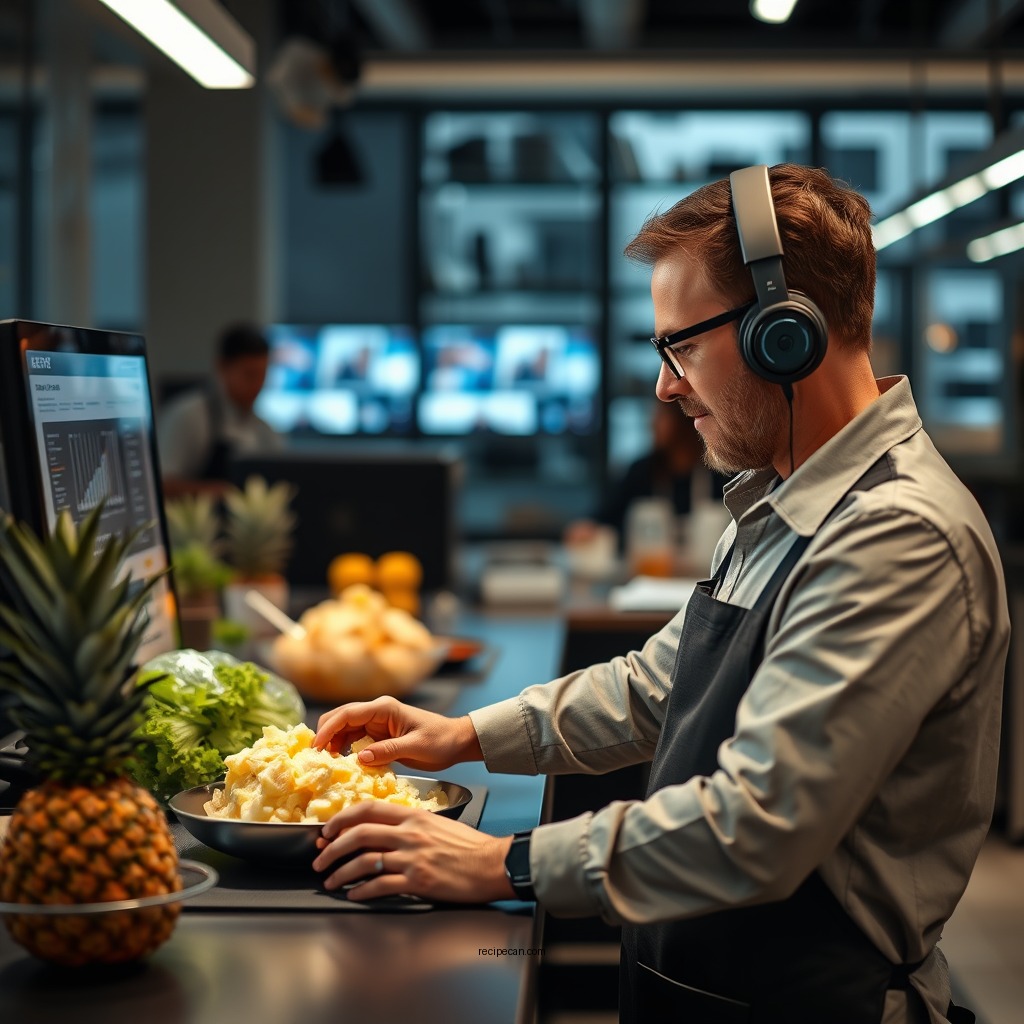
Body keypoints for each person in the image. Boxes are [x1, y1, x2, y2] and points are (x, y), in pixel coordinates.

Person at [311, 165, 1009, 1024]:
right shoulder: (781, 500)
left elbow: (757, 826)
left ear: (782, 335)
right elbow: (657, 685)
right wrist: (460, 736)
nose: (665, 386)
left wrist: (501, 864)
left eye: (681, 345)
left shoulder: (897, 535)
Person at [565, 398, 726, 551]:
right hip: (649, 572)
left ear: (686, 420)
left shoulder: (719, 472)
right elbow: (608, 513)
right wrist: (588, 525)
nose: (652, 423)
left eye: (661, 416)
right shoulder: (642, 471)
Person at [157, 322, 284, 496]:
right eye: (249, 374)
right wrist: (221, 493)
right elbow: (161, 485)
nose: (257, 385)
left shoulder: (265, 431)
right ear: (222, 367)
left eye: (262, 375)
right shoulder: (188, 416)